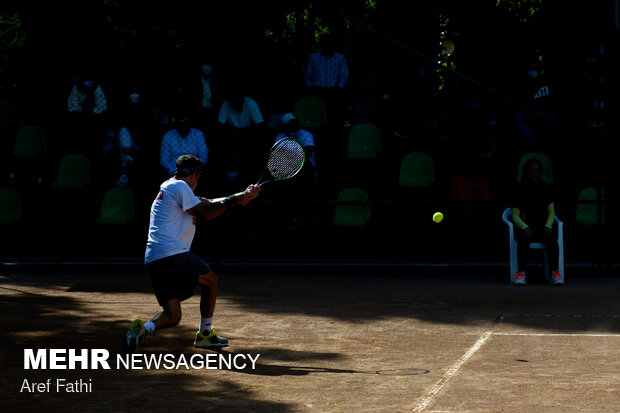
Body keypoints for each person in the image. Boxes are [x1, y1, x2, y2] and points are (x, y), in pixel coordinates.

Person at [121, 154, 261, 353]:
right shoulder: (179, 187)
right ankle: (205, 333)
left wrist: (242, 196)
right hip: (172, 255)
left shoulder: (171, 186)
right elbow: (206, 212)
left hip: (155, 259)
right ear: (195, 175)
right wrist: (235, 201)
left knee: (172, 316)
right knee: (211, 279)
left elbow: (210, 201)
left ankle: (142, 329)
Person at [510, 157, 562, 285]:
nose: (535, 173)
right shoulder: (519, 189)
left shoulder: (546, 188)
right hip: (526, 227)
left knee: (552, 237)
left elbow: (552, 212)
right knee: (523, 237)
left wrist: (548, 226)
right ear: (527, 172)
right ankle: (521, 273)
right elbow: (515, 215)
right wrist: (524, 227)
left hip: (542, 227)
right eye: (532, 170)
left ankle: (555, 273)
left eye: (538, 170)